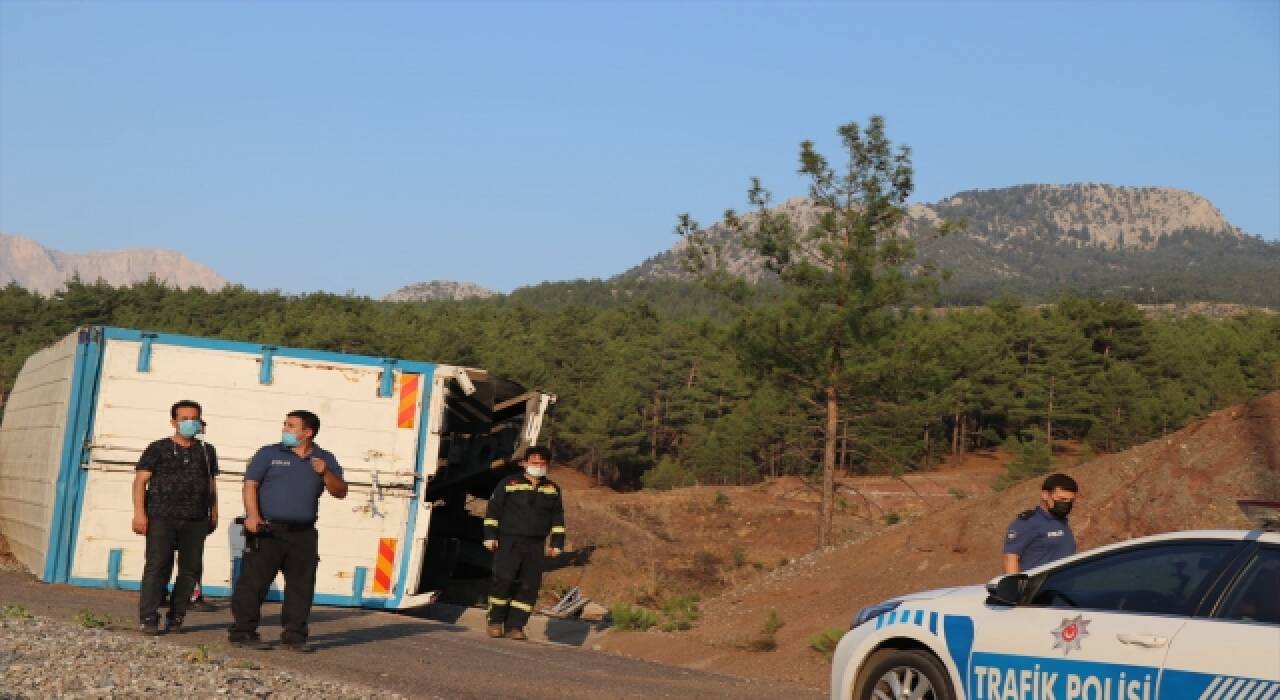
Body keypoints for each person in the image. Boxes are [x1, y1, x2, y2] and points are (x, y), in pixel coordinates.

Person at [228, 410, 347, 652]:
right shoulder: (268, 454)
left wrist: (326, 473)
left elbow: (340, 491)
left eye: (291, 426)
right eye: (284, 424)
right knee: (254, 583)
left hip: (303, 533)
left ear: (307, 432)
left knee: (301, 586)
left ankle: (294, 636)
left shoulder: (324, 458)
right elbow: (251, 484)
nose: (285, 429)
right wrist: (252, 515)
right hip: (268, 529)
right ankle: (243, 632)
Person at [132, 400, 219, 636]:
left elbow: (211, 483)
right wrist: (140, 513)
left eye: (195, 418)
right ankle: (149, 617)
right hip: (162, 517)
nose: (190, 423)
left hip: (195, 519)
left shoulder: (206, 450)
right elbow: (141, 481)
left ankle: (177, 615)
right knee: (157, 566)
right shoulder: (158, 448)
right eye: (184, 419)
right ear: (173, 421)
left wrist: (214, 512)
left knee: (190, 570)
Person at [482, 446, 565, 641]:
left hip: (535, 545)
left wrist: (557, 543)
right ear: (525, 463)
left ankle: (516, 626)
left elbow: (558, 518)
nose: (538, 466)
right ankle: (495, 621)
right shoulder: (509, 483)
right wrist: (489, 536)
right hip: (509, 541)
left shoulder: (552, 489)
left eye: (542, 463)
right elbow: (493, 512)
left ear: (547, 465)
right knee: (504, 580)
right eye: (534, 463)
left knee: (529, 586)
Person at [1003, 472, 1078, 574]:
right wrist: (1014, 588)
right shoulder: (1028, 523)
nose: (1066, 504)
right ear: (1045, 495)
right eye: (1062, 499)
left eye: (1070, 501)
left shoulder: (1062, 522)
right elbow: (1010, 559)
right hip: (1037, 588)